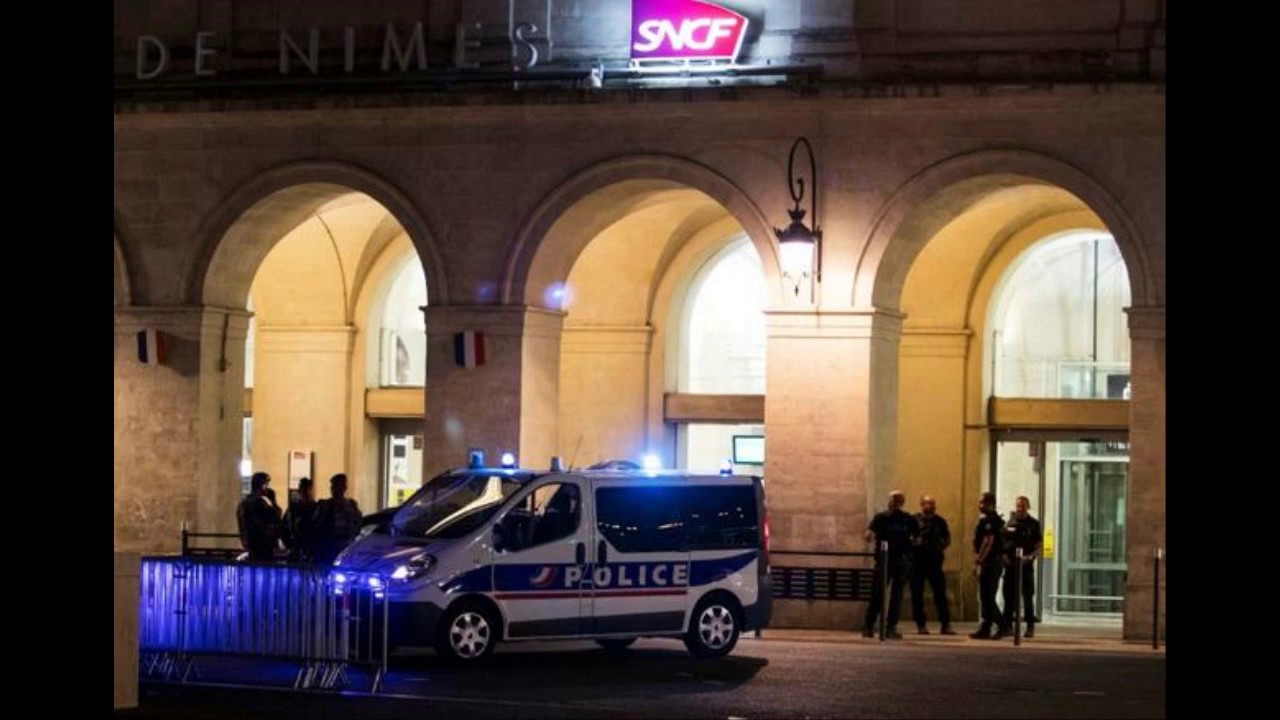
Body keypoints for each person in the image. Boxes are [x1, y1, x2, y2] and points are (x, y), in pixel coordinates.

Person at [861, 490, 919, 639]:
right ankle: (889, 627)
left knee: (879, 594)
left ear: (890, 501)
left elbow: (868, 535)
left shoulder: (882, 517)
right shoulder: (908, 519)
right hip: (899, 559)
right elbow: (916, 539)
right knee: (894, 596)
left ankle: (870, 626)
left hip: (886, 560)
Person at [995, 495, 1043, 639]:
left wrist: (1030, 557)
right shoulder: (1010, 522)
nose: (1019, 508)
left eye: (1022, 506)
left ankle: (1030, 627)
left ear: (1028, 507)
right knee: (1008, 597)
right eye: (1017, 506)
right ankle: (1007, 626)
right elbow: (1002, 541)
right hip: (1011, 565)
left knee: (1027, 598)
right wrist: (1003, 556)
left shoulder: (1034, 524)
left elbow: (1038, 544)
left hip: (1026, 566)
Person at [910, 495, 955, 635]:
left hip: (934, 561)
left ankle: (945, 624)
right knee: (917, 595)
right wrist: (914, 543)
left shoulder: (940, 521)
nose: (930, 506)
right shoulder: (914, 520)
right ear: (921, 504)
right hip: (917, 562)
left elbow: (947, 539)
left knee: (940, 594)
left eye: (933, 503)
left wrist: (939, 546)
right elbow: (908, 537)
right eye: (928, 503)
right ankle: (921, 625)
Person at [969, 491, 1005, 639]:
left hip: (991, 562)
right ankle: (986, 627)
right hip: (989, 562)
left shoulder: (991, 521)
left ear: (990, 504)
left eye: (982, 502)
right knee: (985, 596)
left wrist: (979, 561)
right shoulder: (989, 520)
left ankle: (1003, 625)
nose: (980, 505)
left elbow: (988, 542)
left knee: (988, 597)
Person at [313, 473, 363, 566]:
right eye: (333, 486)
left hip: (345, 546)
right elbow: (317, 525)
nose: (333, 489)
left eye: (336, 486)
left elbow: (357, 524)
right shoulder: (325, 505)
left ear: (344, 487)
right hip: (329, 546)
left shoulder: (351, 505)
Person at [236, 471, 282, 562]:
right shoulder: (261, 502)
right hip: (263, 546)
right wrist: (273, 502)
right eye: (266, 485)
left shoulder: (244, 503)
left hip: (251, 546)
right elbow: (275, 517)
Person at [282, 477, 318, 563]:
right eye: (303, 490)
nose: (305, 493)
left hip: (310, 549)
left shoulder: (316, 508)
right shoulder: (293, 508)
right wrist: (289, 545)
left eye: (307, 490)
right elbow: (284, 528)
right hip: (297, 548)